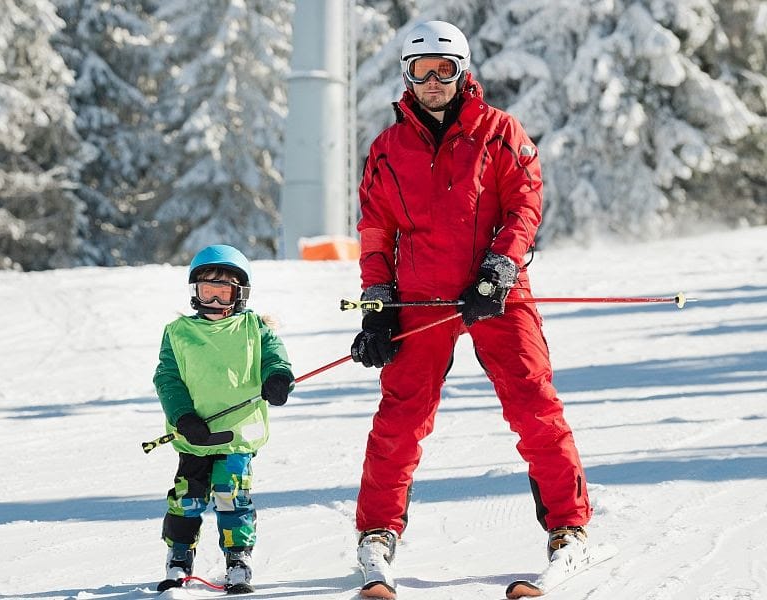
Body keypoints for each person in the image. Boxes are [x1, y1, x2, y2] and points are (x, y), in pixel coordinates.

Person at [347, 20, 593, 598]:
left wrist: (498, 270)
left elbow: (525, 205)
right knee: (401, 417)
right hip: (422, 298)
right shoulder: (387, 149)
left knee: (534, 404)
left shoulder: (499, 132)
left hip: (496, 296)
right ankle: (377, 532)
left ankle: (568, 529)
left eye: (444, 70)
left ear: (462, 73)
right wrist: (378, 304)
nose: (433, 82)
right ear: (407, 76)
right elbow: (375, 231)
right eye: (421, 72)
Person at [152, 244, 295, 594]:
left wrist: (277, 378)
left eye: (223, 293)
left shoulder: (255, 328)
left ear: (240, 294)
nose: (214, 303)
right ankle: (179, 557)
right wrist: (183, 416)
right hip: (195, 436)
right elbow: (167, 378)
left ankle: (238, 558)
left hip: (237, 435)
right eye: (207, 293)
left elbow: (276, 359)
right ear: (194, 294)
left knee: (231, 495)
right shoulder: (178, 333)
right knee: (187, 498)